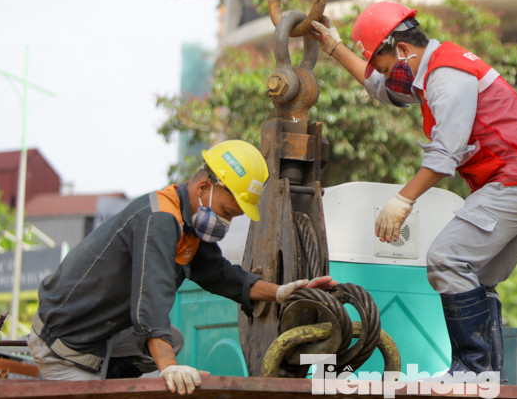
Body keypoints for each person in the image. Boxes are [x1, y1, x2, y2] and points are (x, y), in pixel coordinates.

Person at [312, 2, 517, 380]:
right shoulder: (430, 71)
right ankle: (490, 376)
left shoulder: (447, 75)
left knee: (447, 258)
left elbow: (446, 153)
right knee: (476, 275)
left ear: (401, 50)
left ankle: (474, 371)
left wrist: (403, 200)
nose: (386, 77)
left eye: (383, 66)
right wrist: (334, 48)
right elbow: (382, 90)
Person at [26, 139, 337, 395]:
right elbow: (151, 301)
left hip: (100, 334)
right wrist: (169, 368)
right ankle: (102, 380)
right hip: (66, 340)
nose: (226, 222)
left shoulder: (188, 227)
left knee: (172, 339)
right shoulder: (160, 220)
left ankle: (109, 378)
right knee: (162, 344)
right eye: (227, 211)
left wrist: (282, 293)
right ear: (205, 187)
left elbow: (222, 274)